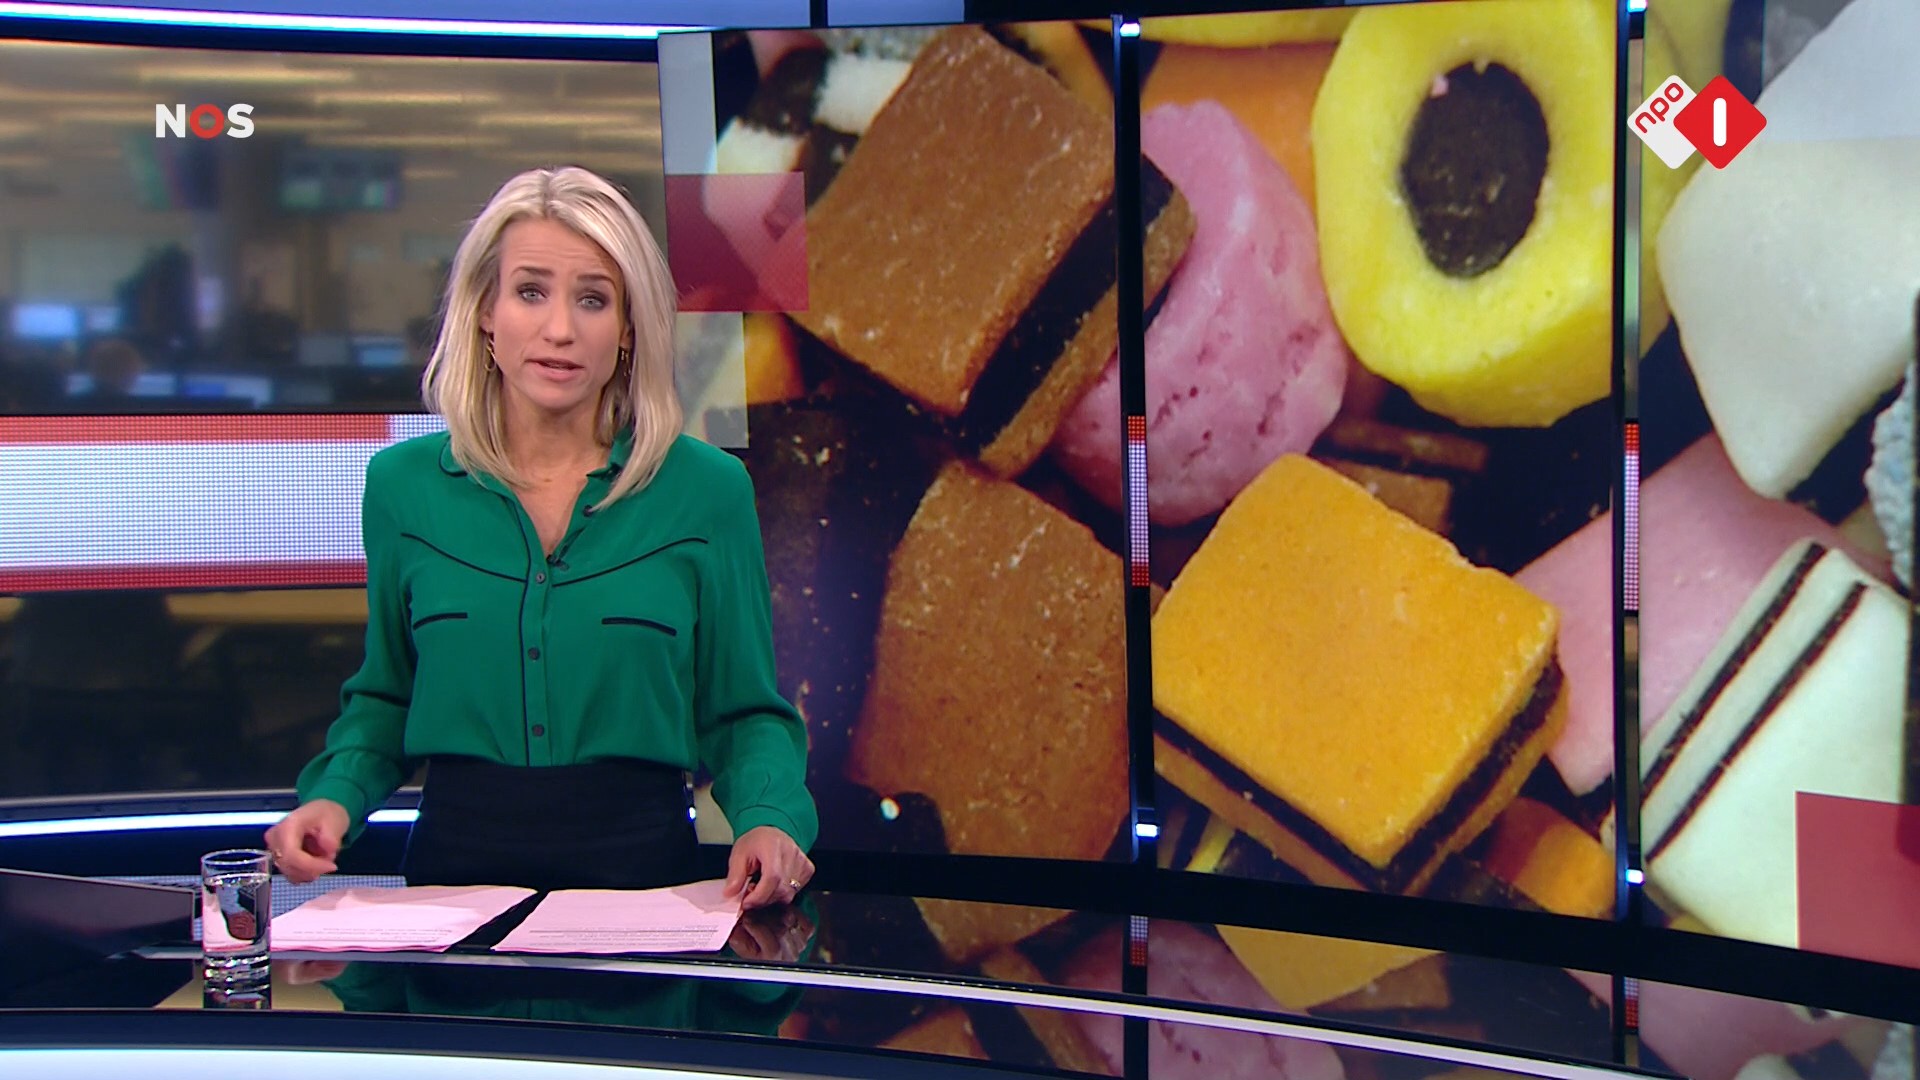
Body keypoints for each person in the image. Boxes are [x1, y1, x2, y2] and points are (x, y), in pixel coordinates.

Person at [265, 166, 816, 908]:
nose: (560, 329)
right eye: (530, 292)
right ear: (484, 312)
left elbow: (744, 713)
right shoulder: (403, 487)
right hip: (453, 885)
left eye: (593, 299)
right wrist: (333, 800)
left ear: (628, 327)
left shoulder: (707, 491)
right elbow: (388, 697)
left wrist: (769, 819)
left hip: (642, 883)